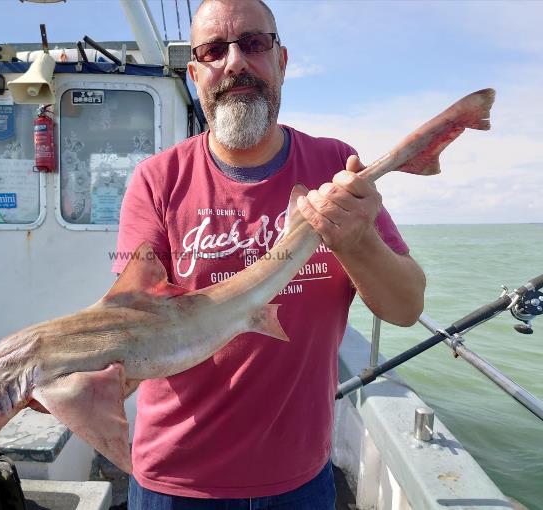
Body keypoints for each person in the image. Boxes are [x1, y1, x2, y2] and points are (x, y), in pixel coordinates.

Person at [112, 0, 426, 507]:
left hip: (299, 479)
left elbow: (406, 308)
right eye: (214, 50)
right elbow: (132, 321)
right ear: (195, 74)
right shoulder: (157, 180)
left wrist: (355, 240)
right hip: (174, 479)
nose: (234, 62)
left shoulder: (333, 165)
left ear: (281, 60)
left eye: (253, 44)